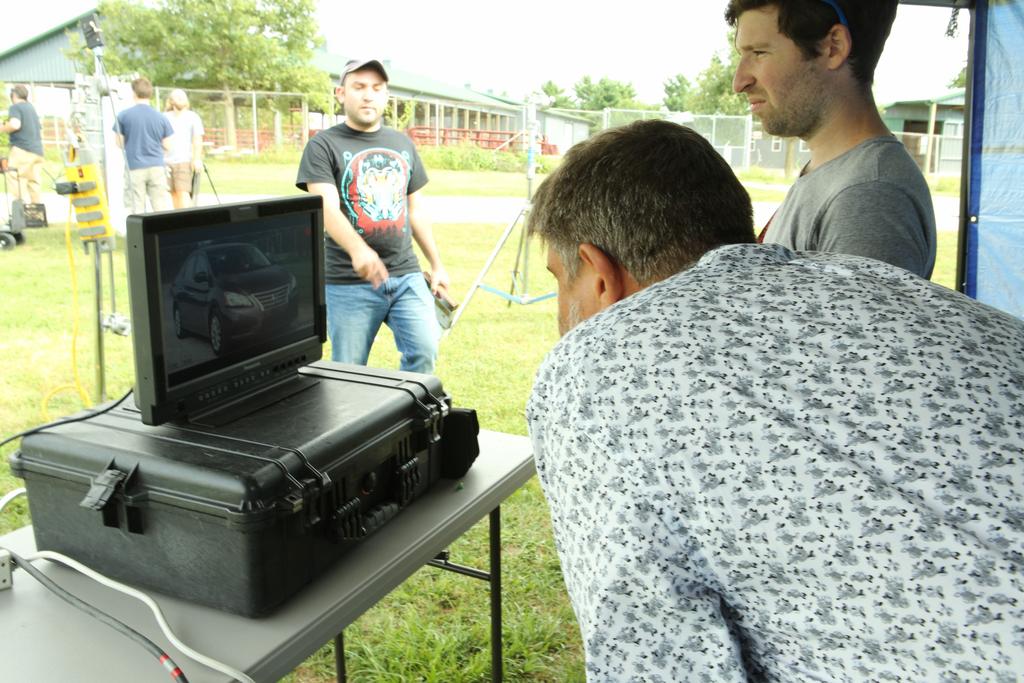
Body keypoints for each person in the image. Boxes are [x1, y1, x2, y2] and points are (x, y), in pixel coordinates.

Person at [525, 119, 1024, 681]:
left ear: (596, 275)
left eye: (557, 280)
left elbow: (654, 656)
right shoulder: (864, 280)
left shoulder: (596, 364)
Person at [728, 0, 937, 278]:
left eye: (759, 52)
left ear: (833, 47)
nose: (739, 81)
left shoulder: (868, 198)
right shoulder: (835, 173)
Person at [296, 59, 450, 374]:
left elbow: (415, 209)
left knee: (424, 351)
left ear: (386, 96)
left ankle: (411, 418)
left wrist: (437, 264)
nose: (368, 96)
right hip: (348, 282)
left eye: (377, 89)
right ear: (341, 93)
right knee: (349, 371)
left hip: (406, 275)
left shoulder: (402, 143)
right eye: (359, 87)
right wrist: (358, 250)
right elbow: (324, 205)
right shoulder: (323, 145)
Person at [115, 77, 173, 213]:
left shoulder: (124, 116)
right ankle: (161, 232)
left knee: (136, 207)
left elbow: (119, 143)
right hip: (157, 166)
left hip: (134, 166)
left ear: (134, 93)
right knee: (160, 206)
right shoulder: (161, 117)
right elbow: (168, 145)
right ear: (150, 94)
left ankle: (140, 234)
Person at [1, 85, 45, 204]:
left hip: (22, 149)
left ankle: (19, 210)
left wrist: (3, 127)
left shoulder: (16, 107)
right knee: (33, 181)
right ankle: (36, 213)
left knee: (14, 175)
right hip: (38, 151)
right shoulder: (31, 108)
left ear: (14, 96)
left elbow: (15, 125)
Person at [163, 88, 204, 209]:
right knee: (173, 194)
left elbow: (197, 139)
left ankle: (188, 220)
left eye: (183, 97)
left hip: (184, 161)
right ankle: (178, 220)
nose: (181, 99)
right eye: (177, 97)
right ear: (171, 101)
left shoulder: (193, 117)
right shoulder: (164, 117)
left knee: (183, 193)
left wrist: (196, 159)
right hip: (166, 162)